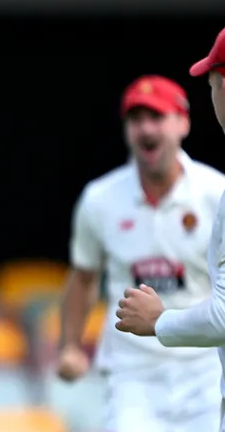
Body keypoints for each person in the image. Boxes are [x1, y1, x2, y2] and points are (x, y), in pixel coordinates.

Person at [56, 73, 225, 432]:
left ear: (183, 122)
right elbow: (84, 278)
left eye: (157, 117)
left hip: (205, 374)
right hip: (132, 378)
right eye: (135, 119)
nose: (146, 129)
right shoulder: (100, 199)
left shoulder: (217, 192)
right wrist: (70, 345)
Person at [116, 27, 225, 429]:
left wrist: (158, 321)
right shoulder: (102, 198)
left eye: (214, 84)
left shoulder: (217, 190)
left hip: (199, 386)